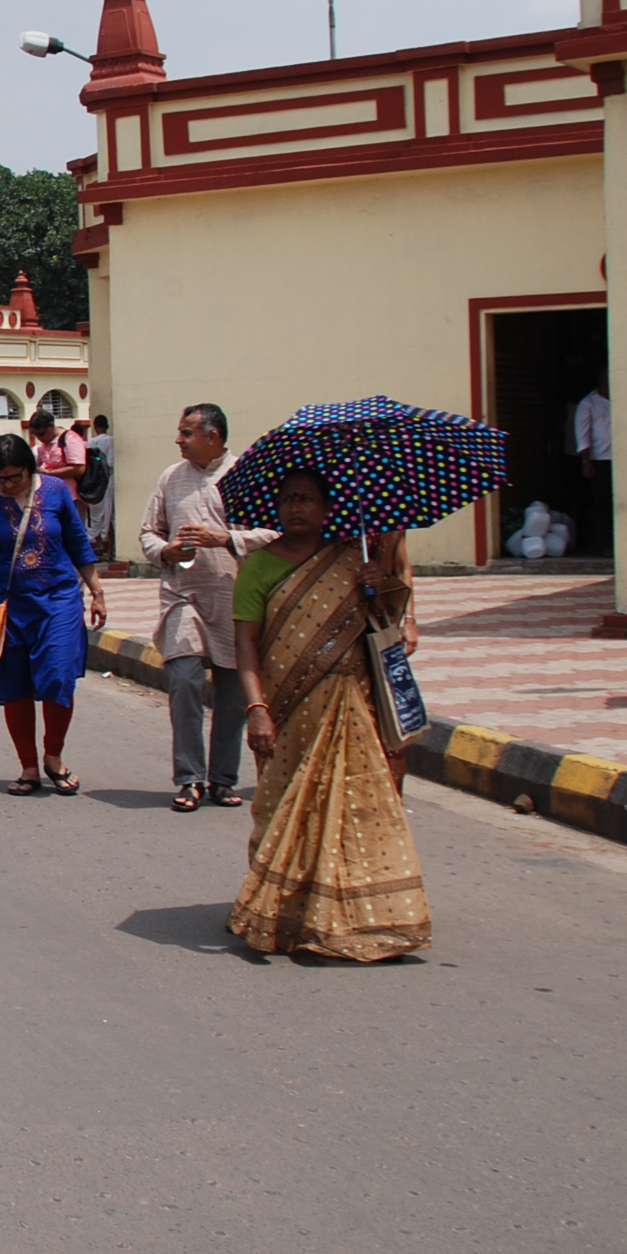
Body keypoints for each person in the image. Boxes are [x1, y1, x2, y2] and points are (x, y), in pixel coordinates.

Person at [227, 468, 432, 961]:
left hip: (353, 708)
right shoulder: (258, 566)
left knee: (356, 809)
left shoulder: (351, 559)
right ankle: (286, 913)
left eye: (307, 499)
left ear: (327, 508)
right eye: (288, 499)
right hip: (287, 711)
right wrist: (256, 709)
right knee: (285, 811)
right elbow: (246, 644)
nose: (296, 507)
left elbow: (382, 631)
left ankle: (365, 916)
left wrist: (379, 586)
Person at [0, 432, 107, 796]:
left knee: (58, 676)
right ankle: (29, 766)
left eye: (14, 477)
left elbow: (78, 544)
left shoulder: (55, 491)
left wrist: (97, 593)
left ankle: (54, 756)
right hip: (6, 606)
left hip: (58, 600)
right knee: (15, 685)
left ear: (30, 469)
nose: (6, 485)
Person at [139, 403, 274, 812]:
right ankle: (189, 778)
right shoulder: (170, 478)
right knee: (183, 681)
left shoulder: (246, 475)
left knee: (232, 697)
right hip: (183, 595)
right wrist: (167, 550)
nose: (178, 440)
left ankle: (222, 778)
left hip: (235, 598)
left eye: (187, 433)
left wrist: (225, 539)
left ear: (213, 437)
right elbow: (148, 533)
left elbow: (272, 532)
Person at [573, 377, 614, 555]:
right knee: (601, 503)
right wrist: (586, 461)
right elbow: (582, 434)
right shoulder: (588, 403)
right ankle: (604, 544)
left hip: (617, 459)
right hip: (599, 460)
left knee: (615, 503)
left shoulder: (618, 400)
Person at [29, 406, 89, 504]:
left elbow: (79, 468)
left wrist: (49, 473)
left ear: (51, 426)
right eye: (35, 435)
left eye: (41, 434)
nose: (39, 438)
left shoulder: (70, 439)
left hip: (71, 497)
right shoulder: (44, 445)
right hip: (50, 496)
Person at [82, 414, 118, 555]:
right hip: (111, 479)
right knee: (109, 513)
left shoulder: (91, 443)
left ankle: (99, 543)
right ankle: (108, 546)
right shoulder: (113, 441)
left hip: (96, 481)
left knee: (95, 515)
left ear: (95, 427)